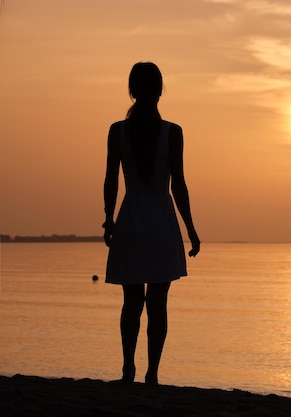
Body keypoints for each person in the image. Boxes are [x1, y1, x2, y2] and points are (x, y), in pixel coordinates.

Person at [102, 62, 200, 385]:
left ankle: (128, 368)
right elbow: (179, 186)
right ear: (160, 91)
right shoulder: (173, 133)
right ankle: (152, 374)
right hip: (161, 224)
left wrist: (108, 219)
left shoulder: (118, 131)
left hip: (130, 221)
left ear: (132, 90)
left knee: (132, 303)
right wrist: (191, 229)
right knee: (157, 304)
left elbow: (111, 181)